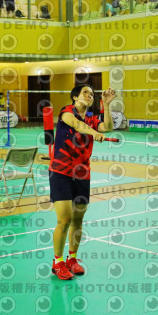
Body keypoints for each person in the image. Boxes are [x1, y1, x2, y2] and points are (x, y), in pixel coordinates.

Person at [49, 85, 115, 280]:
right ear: (75, 97)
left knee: (78, 219)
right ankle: (58, 262)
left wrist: (107, 105)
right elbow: (77, 125)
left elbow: (108, 127)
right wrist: (94, 133)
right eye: (85, 93)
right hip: (60, 172)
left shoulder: (92, 119)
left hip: (82, 173)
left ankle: (72, 259)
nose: (89, 96)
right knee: (65, 219)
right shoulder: (67, 112)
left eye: (92, 94)